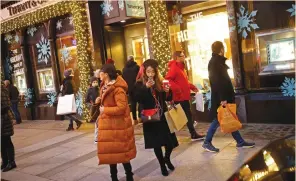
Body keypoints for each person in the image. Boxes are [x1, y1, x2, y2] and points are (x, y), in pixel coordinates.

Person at [202, 41, 255, 152]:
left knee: (228, 118)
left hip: (224, 97)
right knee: (218, 119)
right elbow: (217, 82)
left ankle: (240, 142)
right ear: (221, 49)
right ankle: (207, 142)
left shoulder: (217, 61)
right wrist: (223, 99)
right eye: (223, 48)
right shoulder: (215, 62)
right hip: (221, 98)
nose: (224, 50)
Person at [134, 59, 179, 176]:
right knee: (157, 144)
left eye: (152, 72)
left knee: (170, 143)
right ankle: (162, 165)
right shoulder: (139, 83)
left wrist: (168, 92)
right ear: (144, 72)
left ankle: (167, 158)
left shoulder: (160, 81)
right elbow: (137, 98)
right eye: (148, 72)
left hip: (163, 116)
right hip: (150, 118)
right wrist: (146, 88)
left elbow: (167, 99)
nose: (150, 75)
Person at [96, 64, 136, 181]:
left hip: (118, 126)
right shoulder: (104, 85)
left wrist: (105, 110)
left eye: (101, 73)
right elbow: (106, 102)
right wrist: (98, 101)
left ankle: (129, 176)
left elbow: (121, 108)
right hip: (108, 125)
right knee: (110, 153)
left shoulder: (118, 89)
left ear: (106, 74)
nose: (99, 75)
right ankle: (114, 178)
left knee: (122, 153)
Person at [165, 51, 204, 141]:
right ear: (177, 58)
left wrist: (193, 87)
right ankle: (192, 134)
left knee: (186, 115)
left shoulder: (181, 68)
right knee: (185, 115)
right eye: (182, 56)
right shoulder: (174, 68)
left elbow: (184, 81)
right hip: (179, 97)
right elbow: (168, 80)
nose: (184, 57)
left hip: (184, 96)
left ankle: (192, 134)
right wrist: (177, 89)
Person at [1, 83, 17, 172]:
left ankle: (11, 162)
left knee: (6, 141)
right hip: (4, 119)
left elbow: (5, 106)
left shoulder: (2, 91)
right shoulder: (3, 89)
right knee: (2, 142)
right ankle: (5, 161)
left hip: (4, 120)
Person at [122, 55, 140, 125]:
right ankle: (140, 117)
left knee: (133, 103)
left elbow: (123, 79)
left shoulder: (124, 69)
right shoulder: (136, 67)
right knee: (140, 102)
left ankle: (135, 119)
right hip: (137, 87)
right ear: (133, 59)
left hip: (129, 88)